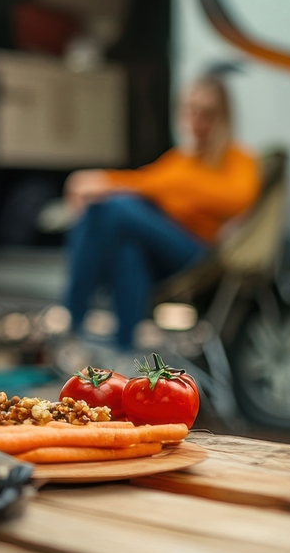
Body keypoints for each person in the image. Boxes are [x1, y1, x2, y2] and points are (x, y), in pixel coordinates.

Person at [63, 74, 261, 351]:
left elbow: (236, 198)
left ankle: (72, 319)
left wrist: (105, 182)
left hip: (198, 252)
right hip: (161, 253)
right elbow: (146, 180)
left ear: (223, 116)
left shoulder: (239, 159)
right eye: (190, 110)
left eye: (206, 113)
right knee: (127, 248)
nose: (196, 120)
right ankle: (124, 349)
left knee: (114, 207)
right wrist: (106, 182)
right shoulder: (182, 160)